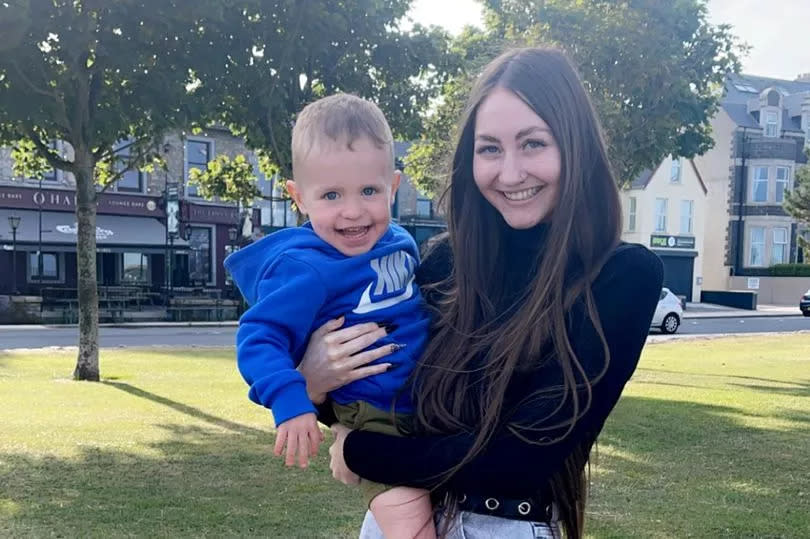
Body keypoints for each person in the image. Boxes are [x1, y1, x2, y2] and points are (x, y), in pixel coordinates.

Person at [297, 47, 664, 538]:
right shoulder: (444, 261)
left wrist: (359, 451)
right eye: (489, 149)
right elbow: (381, 387)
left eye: (533, 143)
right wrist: (313, 383)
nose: (510, 173)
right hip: (401, 519)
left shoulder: (620, 275)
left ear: (575, 146)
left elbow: (522, 458)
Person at [225, 94, 436, 538]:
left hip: (432, 404)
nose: (354, 211)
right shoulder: (304, 269)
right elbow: (259, 337)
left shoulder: (401, 243)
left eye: (369, 191)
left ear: (393, 187)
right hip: (379, 417)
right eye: (332, 195)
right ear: (299, 197)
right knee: (412, 527)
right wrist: (292, 402)